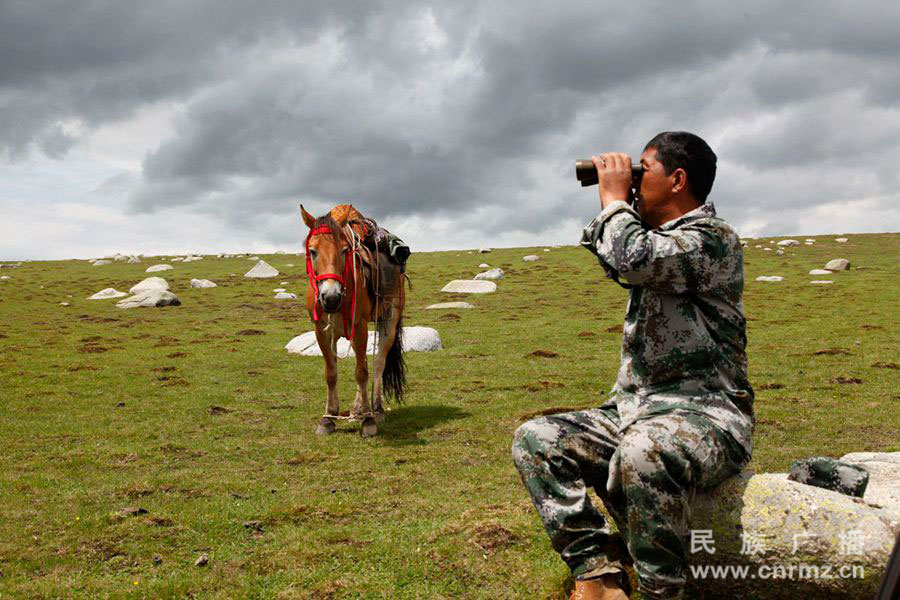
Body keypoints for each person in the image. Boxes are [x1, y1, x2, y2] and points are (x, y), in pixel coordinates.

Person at [512, 132, 754, 600]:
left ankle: (662, 591)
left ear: (678, 179)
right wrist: (620, 203)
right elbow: (613, 254)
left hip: (707, 414)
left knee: (643, 451)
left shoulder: (712, 239)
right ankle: (598, 571)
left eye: (645, 169)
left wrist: (614, 200)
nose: (635, 181)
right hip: (636, 409)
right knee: (538, 439)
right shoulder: (654, 237)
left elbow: (633, 257)